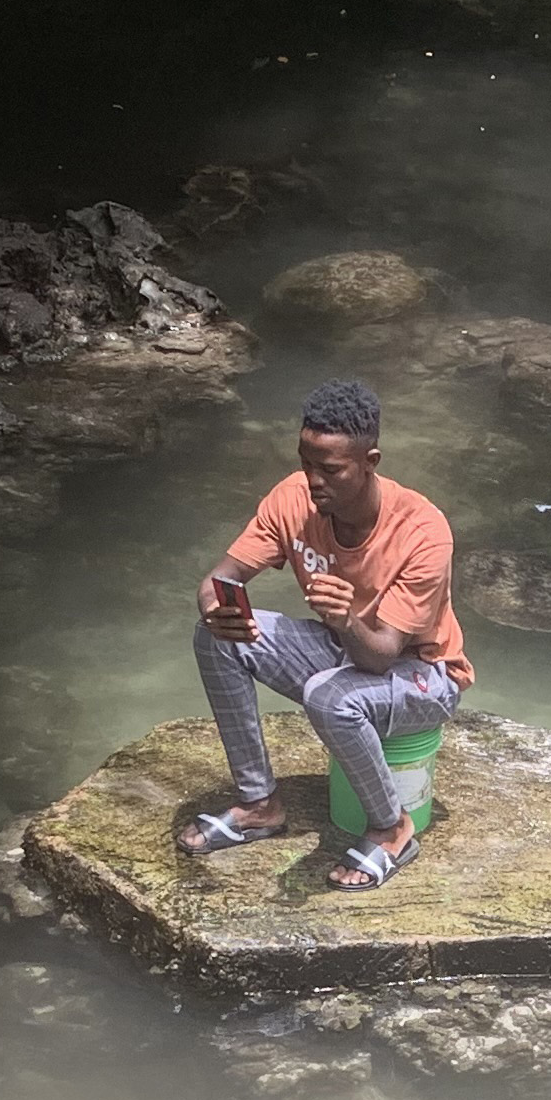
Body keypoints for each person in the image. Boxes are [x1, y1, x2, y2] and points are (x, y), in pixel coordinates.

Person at [182, 378, 470, 892]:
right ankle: (259, 805)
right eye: (305, 463)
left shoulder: (423, 532)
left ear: (370, 461)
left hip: (424, 674)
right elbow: (219, 580)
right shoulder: (292, 498)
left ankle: (391, 829)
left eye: (331, 470)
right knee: (217, 639)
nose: (314, 481)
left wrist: (346, 619)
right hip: (345, 647)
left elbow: (381, 657)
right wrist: (214, 608)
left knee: (329, 695)